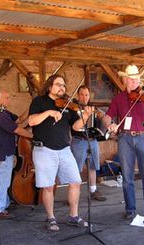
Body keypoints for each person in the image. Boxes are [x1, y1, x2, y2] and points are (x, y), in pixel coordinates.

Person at [28, 74, 93, 231]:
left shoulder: (68, 105)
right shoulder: (39, 101)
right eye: (58, 85)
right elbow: (31, 121)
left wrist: (85, 115)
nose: (62, 88)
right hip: (44, 149)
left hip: (64, 150)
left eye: (63, 85)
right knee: (49, 186)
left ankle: (73, 216)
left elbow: (76, 127)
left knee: (75, 182)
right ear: (50, 86)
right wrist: (49, 112)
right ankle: (51, 218)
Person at [102, 65, 144, 221]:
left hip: (143, 137)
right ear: (125, 80)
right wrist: (110, 125)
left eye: (136, 79)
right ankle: (130, 209)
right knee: (127, 177)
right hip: (125, 138)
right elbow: (107, 117)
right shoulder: (118, 98)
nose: (134, 82)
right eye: (131, 79)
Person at [0, 90, 33, 218]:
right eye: (7, 98)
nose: (9, 100)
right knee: (3, 181)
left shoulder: (4, 112)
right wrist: (33, 136)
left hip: (7, 151)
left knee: (5, 180)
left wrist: (31, 107)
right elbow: (17, 129)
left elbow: (19, 120)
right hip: (3, 152)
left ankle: (4, 204)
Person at [71, 86, 106, 201]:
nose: (84, 97)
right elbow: (74, 127)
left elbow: (99, 122)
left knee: (93, 166)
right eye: (81, 94)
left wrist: (102, 117)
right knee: (77, 168)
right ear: (78, 95)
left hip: (92, 141)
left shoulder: (93, 109)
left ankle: (93, 190)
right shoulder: (73, 109)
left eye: (86, 95)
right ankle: (75, 193)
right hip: (79, 141)